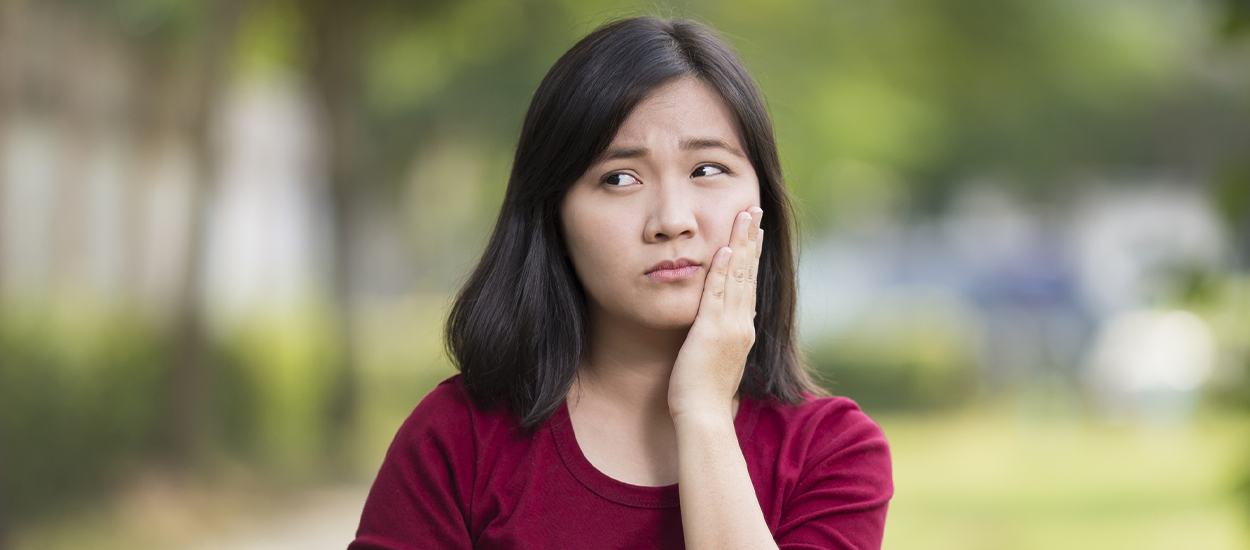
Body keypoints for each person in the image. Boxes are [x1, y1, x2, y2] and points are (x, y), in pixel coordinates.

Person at [348, 15, 893, 550]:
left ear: (763, 201)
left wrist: (702, 412)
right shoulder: (458, 439)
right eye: (619, 178)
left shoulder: (834, 453)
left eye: (707, 169)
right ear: (552, 216)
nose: (672, 219)